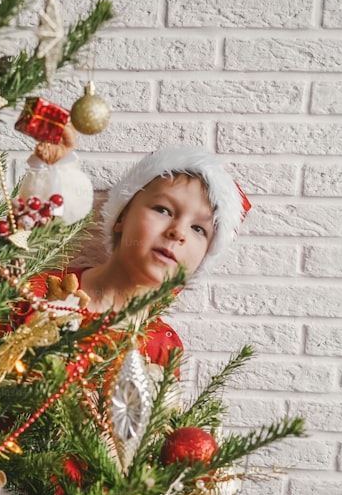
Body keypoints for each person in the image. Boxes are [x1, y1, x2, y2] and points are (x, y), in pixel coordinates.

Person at [27, 146, 251, 370]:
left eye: (199, 229)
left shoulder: (162, 351)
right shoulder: (35, 293)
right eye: (163, 210)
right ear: (122, 216)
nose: (178, 233)